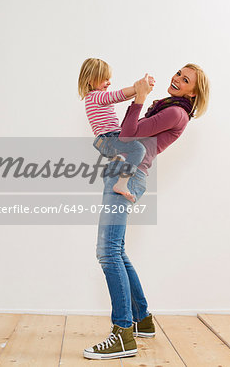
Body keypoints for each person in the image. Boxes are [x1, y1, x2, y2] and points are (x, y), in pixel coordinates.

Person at [83, 64, 210, 360]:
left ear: (194, 92)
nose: (177, 79)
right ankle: (142, 320)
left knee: (107, 251)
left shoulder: (176, 113)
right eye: (178, 74)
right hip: (125, 169)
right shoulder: (170, 108)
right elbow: (130, 134)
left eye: (185, 80)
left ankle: (123, 334)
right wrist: (138, 100)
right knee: (117, 250)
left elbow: (127, 136)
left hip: (128, 172)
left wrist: (138, 99)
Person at [78, 58, 155, 202]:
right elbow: (119, 95)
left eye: (109, 79)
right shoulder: (96, 96)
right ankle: (122, 183)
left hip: (105, 140)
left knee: (128, 150)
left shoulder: (93, 98)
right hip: (110, 138)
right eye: (104, 79)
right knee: (139, 149)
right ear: (90, 80)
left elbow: (123, 96)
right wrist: (138, 87)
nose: (109, 82)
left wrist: (141, 90)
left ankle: (119, 161)